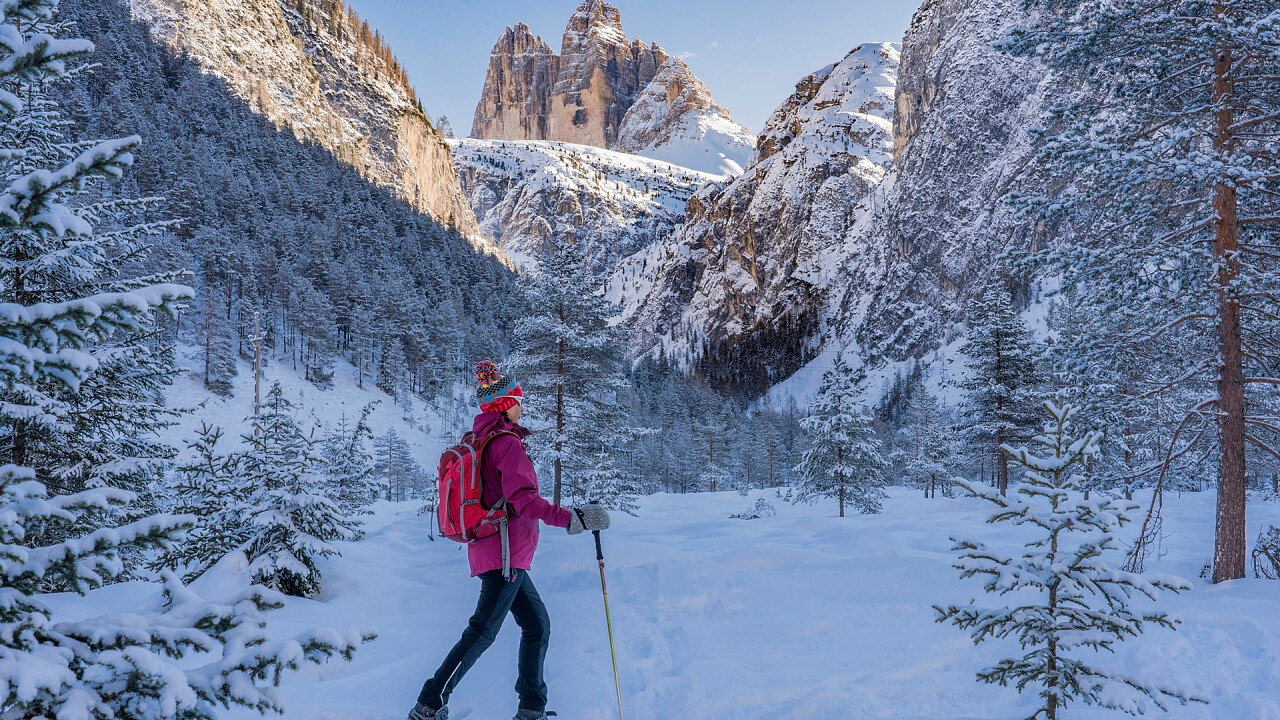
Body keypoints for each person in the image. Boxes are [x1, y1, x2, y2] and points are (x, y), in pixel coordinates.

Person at [407, 361, 611, 720]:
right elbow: (526, 502)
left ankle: (531, 707)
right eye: (518, 400)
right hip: (504, 555)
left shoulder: (483, 440)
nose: (522, 406)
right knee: (483, 632)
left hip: (500, 552)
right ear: (505, 405)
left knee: (537, 625)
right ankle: (430, 702)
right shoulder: (507, 445)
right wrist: (573, 519)